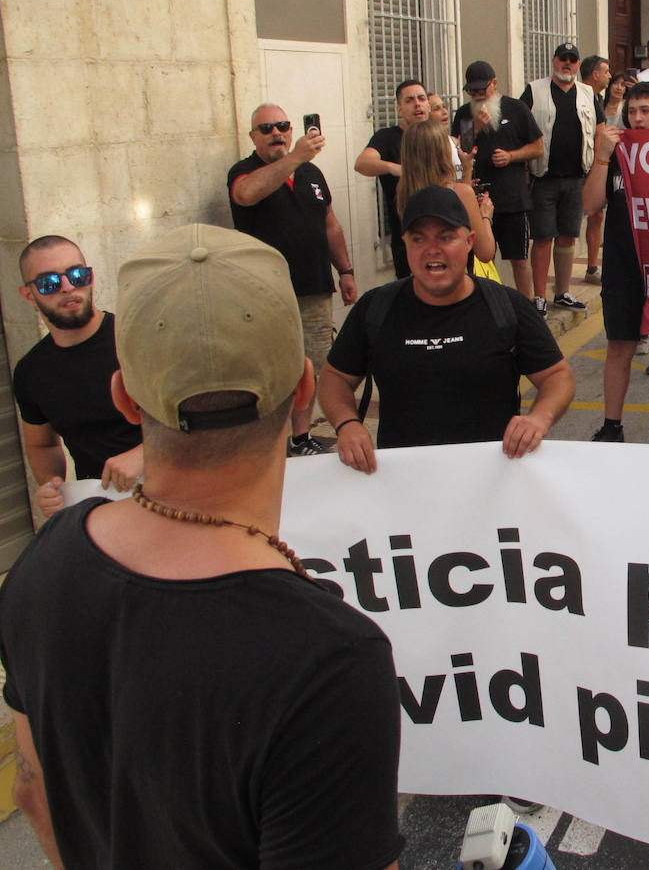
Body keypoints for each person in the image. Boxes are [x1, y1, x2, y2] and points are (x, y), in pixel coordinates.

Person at [1, 223, 404, 869]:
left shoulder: (37, 570)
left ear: (126, 398)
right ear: (304, 388)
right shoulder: (330, 658)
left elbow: (33, 794)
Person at [320, 186, 574, 471]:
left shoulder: (507, 307)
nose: (432, 249)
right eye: (419, 239)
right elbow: (334, 379)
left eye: (446, 237)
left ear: (469, 242)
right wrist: (347, 424)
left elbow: (557, 376)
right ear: (405, 244)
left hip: (493, 478)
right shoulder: (375, 309)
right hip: (402, 481)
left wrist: (538, 418)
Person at [229, 102, 358, 456]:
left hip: (314, 287)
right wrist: (295, 157)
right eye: (267, 129)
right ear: (253, 135)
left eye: (282, 126)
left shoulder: (311, 174)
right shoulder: (244, 171)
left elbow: (330, 223)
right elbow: (246, 194)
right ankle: (270, 442)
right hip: (266, 295)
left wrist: (345, 271)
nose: (277, 133)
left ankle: (300, 438)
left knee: (312, 367)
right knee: (272, 370)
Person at [582, 82, 649, 445]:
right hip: (623, 264)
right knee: (619, 345)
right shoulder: (615, 153)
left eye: (645, 110)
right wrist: (601, 156)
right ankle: (611, 424)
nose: (636, 118)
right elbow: (590, 205)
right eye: (631, 111)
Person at [13, 236, 142, 517]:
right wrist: (51, 487)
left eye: (77, 275)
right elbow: (42, 443)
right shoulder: (30, 372)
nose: (69, 287)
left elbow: (201, 420)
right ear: (28, 295)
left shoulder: (137, 339)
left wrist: (145, 455)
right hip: (98, 512)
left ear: (91, 277)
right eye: (49, 283)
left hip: (175, 499)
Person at [520, 42, 601, 316]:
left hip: (577, 179)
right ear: (554, 61)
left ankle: (563, 292)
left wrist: (598, 170)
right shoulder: (534, 90)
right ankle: (540, 297)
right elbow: (521, 127)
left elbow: (600, 132)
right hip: (543, 179)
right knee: (543, 238)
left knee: (568, 236)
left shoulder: (588, 93)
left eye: (572, 60)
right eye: (563, 59)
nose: (567, 64)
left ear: (578, 64)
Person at [452, 60, 542, 298]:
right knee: (481, 261)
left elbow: (537, 148)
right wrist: (476, 129)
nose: (478, 96)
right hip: (477, 200)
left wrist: (512, 156)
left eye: (482, 90)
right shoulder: (464, 115)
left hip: (512, 198)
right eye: (473, 92)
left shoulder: (516, 109)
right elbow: (458, 153)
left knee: (519, 259)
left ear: (494, 84)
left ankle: (527, 306)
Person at [395, 121, 498, 278]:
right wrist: (485, 216)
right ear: (444, 152)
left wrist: (467, 171)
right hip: (452, 284)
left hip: (420, 281)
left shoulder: (405, 192)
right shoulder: (460, 193)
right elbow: (485, 252)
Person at [355, 78, 431, 277]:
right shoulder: (387, 137)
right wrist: (394, 168)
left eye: (421, 98)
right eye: (410, 100)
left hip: (440, 233)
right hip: (407, 239)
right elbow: (362, 163)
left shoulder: (437, 137)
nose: (417, 104)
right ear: (399, 110)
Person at [580, 56, 612, 283]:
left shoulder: (599, 98)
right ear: (595, 74)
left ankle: (592, 266)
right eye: (606, 71)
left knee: (596, 215)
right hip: (582, 167)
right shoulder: (583, 96)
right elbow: (599, 134)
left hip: (595, 165)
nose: (609, 76)